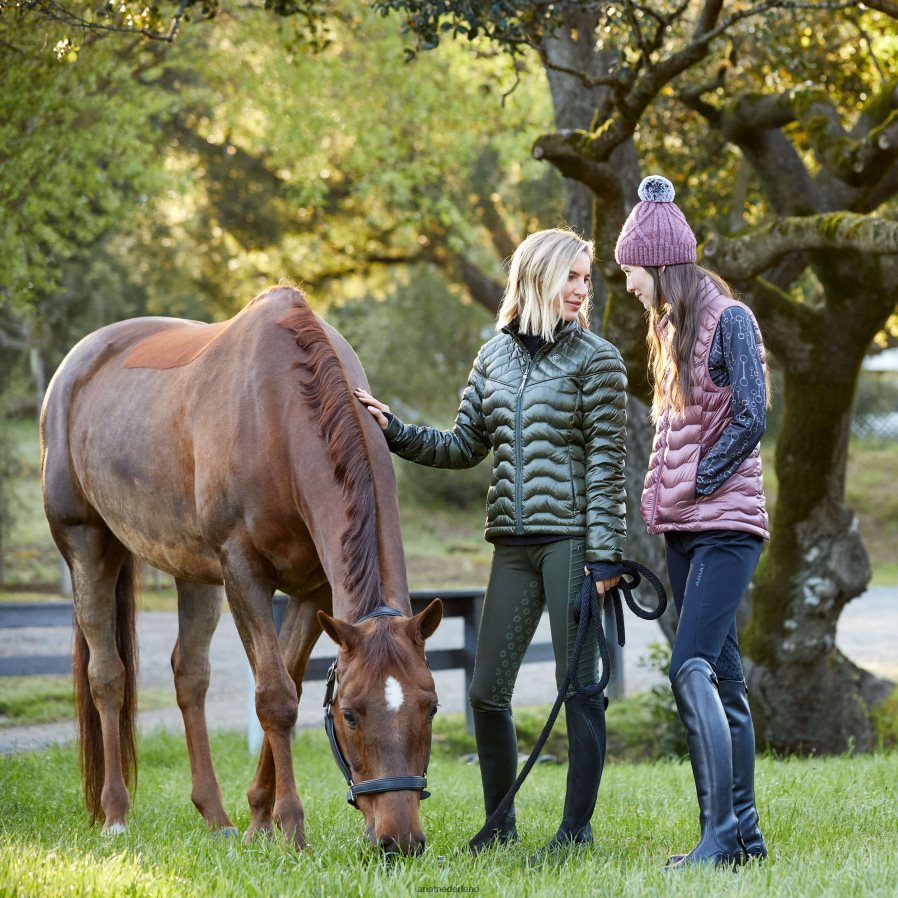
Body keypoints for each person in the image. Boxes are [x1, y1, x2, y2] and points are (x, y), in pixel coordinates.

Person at [354, 227, 628, 859]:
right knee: (485, 692)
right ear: (538, 277)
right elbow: (462, 446)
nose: (582, 290)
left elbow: (609, 464)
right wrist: (394, 430)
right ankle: (499, 825)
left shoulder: (598, 359)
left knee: (579, 686)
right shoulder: (493, 358)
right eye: (573, 277)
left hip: (572, 543)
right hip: (512, 542)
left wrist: (605, 554)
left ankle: (574, 833)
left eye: (588, 279)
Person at [615, 175, 770, 868]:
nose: (626, 287)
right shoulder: (669, 329)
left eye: (629, 273)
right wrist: (671, 507)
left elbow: (752, 415)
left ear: (657, 265)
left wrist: (704, 483)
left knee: (690, 666)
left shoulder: (730, 319)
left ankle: (715, 839)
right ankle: (746, 840)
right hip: (684, 529)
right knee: (725, 683)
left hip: (727, 528)